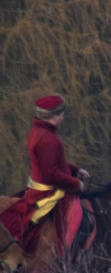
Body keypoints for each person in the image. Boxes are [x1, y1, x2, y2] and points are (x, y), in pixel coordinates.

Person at [0, 95, 91, 256]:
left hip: (48, 186)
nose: (63, 117)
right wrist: (77, 184)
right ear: (54, 117)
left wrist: (75, 170)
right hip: (47, 193)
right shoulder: (46, 138)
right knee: (78, 219)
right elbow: (51, 175)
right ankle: (65, 260)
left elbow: (54, 163)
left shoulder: (41, 132)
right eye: (61, 114)